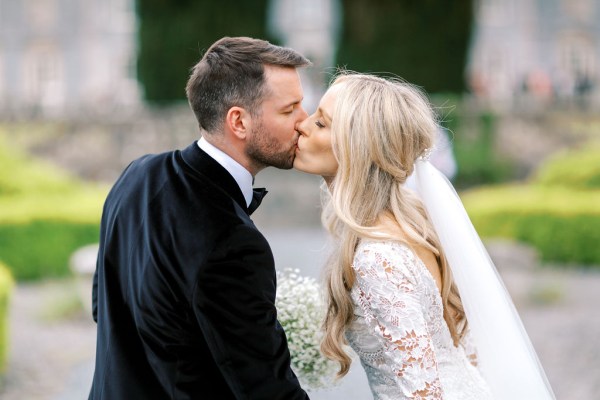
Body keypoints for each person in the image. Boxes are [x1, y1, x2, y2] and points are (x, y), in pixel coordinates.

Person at [294, 73, 555, 399]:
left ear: (357, 148)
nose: (302, 124)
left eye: (321, 123)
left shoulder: (378, 258)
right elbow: (465, 350)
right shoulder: (414, 224)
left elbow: (424, 394)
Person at [89, 37, 311, 400]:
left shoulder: (136, 174)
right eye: (290, 110)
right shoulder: (234, 243)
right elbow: (267, 391)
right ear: (238, 121)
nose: (304, 121)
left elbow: (104, 308)